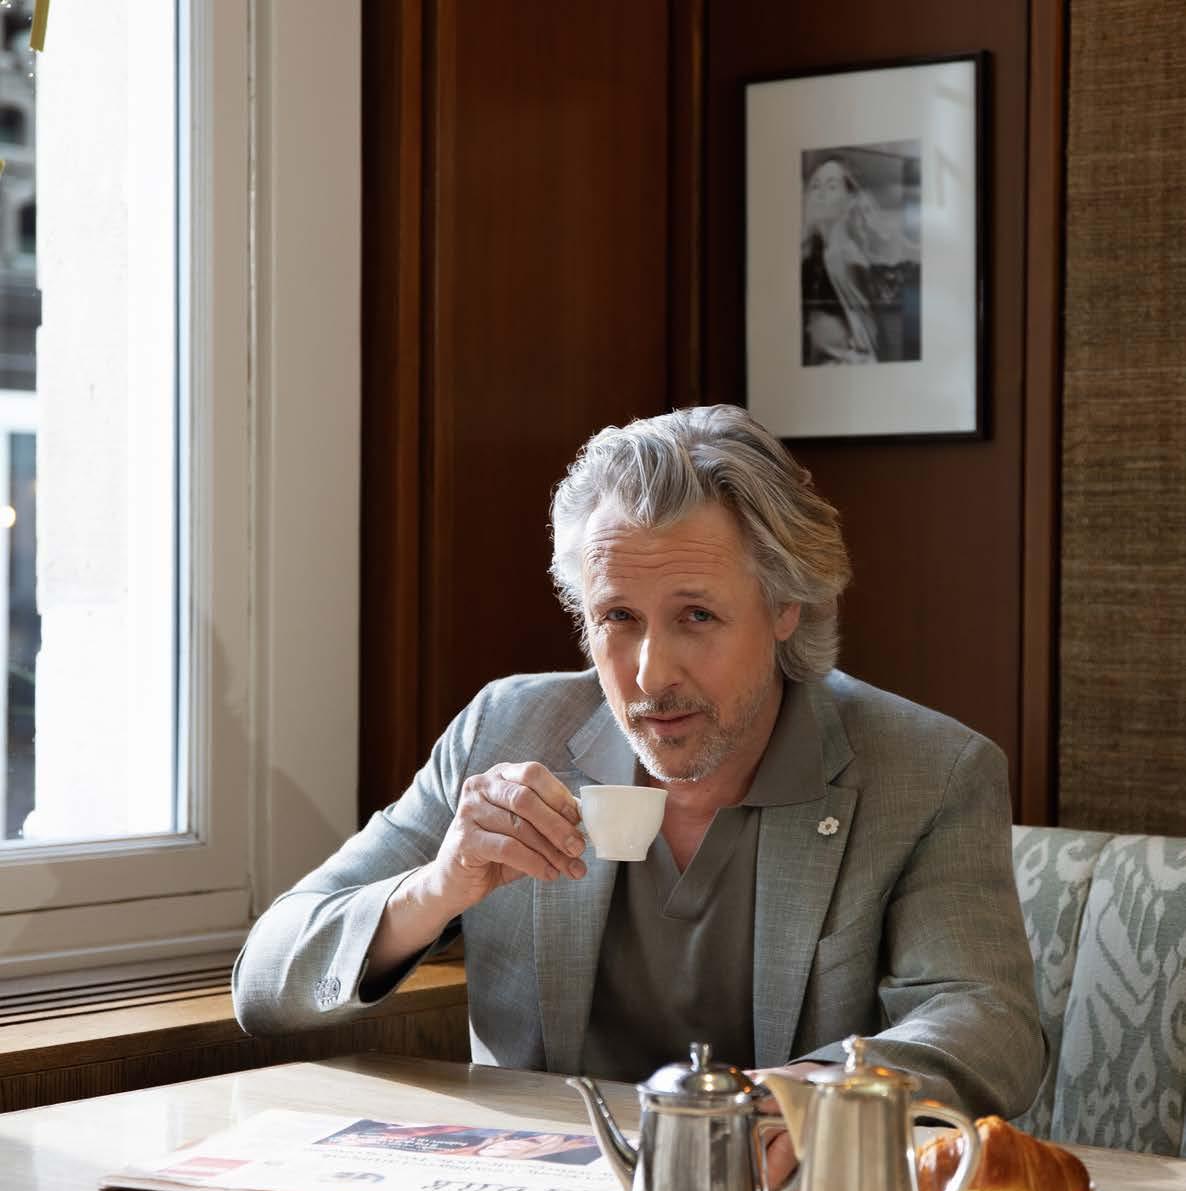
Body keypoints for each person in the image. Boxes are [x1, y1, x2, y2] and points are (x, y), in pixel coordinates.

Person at [233, 405, 1045, 1128]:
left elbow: (990, 1026)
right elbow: (264, 983)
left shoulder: (928, 772)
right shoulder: (506, 732)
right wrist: (436, 888)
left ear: (785, 607)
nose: (652, 674)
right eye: (618, 616)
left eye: (697, 616)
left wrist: (809, 1096)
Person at [801, 154, 920, 366]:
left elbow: (869, 339)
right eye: (816, 185)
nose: (820, 193)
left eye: (831, 186)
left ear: (849, 200)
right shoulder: (824, 254)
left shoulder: (842, 256)